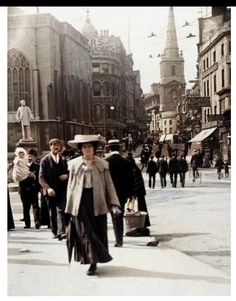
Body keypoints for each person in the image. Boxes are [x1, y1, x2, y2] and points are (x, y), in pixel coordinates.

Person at [65, 134, 121, 276]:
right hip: (80, 202)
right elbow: (70, 186)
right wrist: (69, 205)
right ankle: (90, 261)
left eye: (90, 146)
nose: (88, 149)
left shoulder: (102, 164)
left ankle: (94, 262)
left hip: (97, 202)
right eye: (84, 147)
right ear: (80, 149)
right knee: (85, 232)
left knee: (96, 231)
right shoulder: (74, 164)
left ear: (94, 148)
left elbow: (109, 185)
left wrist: (114, 203)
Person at [106, 139, 134, 247]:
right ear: (119, 148)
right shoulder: (126, 162)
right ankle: (119, 238)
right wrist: (131, 194)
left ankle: (118, 240)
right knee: (119, 214)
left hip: (110, 193)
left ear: (109, 148)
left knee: (114, 216)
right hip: (122, 194)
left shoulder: (106, 161)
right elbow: (131, 179)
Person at [39, 138, 69, 240]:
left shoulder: (63, 160)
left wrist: (66, 176)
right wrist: (47, 188)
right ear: (50, 147)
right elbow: (41, 177)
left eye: (57, 145)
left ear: (60, 147)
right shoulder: (45, 160)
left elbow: (68, 173)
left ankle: (61, 232)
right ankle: (55, 231)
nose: (55, 147)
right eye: (53, 145)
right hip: (50, 190)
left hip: (61, 190)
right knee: (52, 211)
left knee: (61, 210)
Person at [126, 152, 151, 228]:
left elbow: (136, 183)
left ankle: (139, 224)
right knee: (140, 208)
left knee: (138, 209)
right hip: (140, 193)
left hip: (137, 194)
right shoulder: (135, 169)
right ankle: (142, 223)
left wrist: (132, 192)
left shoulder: (133, 170)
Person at [18, 148, 41, 229]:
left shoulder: (37, 167)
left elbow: (39, 178)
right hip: (23, 189)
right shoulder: (21, 165)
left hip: (33, 189)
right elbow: (18, 177)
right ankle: (27, 224)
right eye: (28, 156)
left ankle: (37, 222)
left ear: (35, 157)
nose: (29, 158)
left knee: (35, 206)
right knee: (26, 206)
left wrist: (38, 188)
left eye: (32, 156)